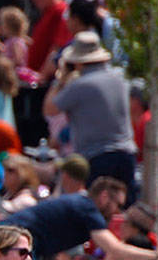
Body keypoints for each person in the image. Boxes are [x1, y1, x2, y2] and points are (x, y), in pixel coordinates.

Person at [0, 177, 158, 260]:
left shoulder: (83, 206)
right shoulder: (87, 208)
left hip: (17, 242)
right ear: (104, 197)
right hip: (14, 242)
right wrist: (157, 254)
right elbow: (114, 249)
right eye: (117, 205)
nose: (117, 211)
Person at [44, 31, 137, 202]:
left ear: (77, 62)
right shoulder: (121, 77)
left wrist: (60, 78)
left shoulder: (79, 86)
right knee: (123, 209)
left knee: (95, 211)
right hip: (126, 154)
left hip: (96, 158)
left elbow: (49, 109)